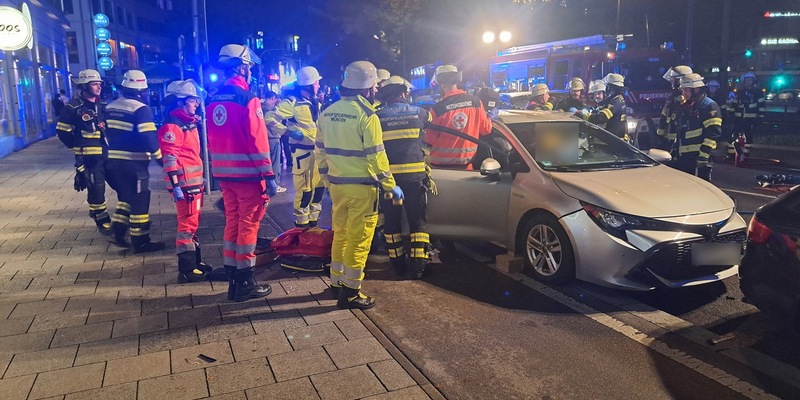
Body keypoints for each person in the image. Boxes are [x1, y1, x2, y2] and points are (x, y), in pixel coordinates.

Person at [316, 60, 402, 310]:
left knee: (340, 235)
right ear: (366, 88)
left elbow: (320, 153)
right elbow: (377, 156)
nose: (375, 91)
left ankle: (337, 283)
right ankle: (351, 293)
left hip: (337, 187)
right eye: (374, 86)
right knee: (359, 239)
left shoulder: (327, 112)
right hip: (363, 188)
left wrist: (327, 182)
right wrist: (390, 186)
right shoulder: (367, 116)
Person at [207, 43, 277, 302]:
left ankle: (234, 280)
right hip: (248, 175)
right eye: (248, 67)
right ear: (241, 68)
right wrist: (268, 175)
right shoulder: (248, 99)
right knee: (249, 225)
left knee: (233, 222)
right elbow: (258, 142)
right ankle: (245, 282)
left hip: (225, 175)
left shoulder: (213, 99)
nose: (250, 72)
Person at [376, 76, 433, 279]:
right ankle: (418, 266)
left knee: (392, 222)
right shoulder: (420, 112)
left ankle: (397, 264)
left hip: (392, 184)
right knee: (417, 221)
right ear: (403, 93)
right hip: (414, 180)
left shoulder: (377, 117)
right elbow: (432, 130)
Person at [105, 70, 165, 253]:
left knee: (126, 196)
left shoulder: (111, 107)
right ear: (142, 91)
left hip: (114, 163)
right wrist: (161, 159)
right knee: (140, 199)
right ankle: (141, 241)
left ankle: (118, 229)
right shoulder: (141, 109)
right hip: (135, 164)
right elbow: (148, 138)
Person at [158, 79, 212, 283]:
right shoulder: (173, 125)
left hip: (193, 183)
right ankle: (187, 270)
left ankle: (195, 263)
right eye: (192, 100)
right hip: (185, 186)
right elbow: (170, 157)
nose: (196, 104)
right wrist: (176, 185)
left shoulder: (187, 123)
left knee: (192, 224)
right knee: (187, 226)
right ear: (179, 102)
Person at [55, 69, 112, 236]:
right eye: (94, 84)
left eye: (99, 84)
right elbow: (62, 132)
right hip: (89, 159)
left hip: (108, 154)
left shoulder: (102, 106)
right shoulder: (73, 108)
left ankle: (125, 219)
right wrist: (77, 147)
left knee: (121, 184)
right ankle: (102, 220)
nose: (98, 87)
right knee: (96, 190)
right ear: (84, 86)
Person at [274, 66, 325, 228]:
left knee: (318, 189)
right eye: (317, 83)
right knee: (304, 191)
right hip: (302, 153)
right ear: (309, 85)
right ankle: (301, 227)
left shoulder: (314, 102)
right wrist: (289, 132)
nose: (318, 86)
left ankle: (313, 225)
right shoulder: (291, 102)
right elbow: (270, 118)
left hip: (317, 153)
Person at [425, 64, 492, 169]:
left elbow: (430, 139)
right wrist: (490, 117)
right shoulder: (476, 102)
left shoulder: (437, 109)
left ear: (441, 83)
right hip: (466, 167)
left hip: (440, 169)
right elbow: (486, 130)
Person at [675, 73, 721, 182]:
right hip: (685, 157)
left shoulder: (709, 106)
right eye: (683, 90)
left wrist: (704, 155)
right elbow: (681, 130)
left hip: (699, 157)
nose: (683, 93)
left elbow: (713, 133)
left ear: (696, 90)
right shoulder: (687, 106)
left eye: (686, 90)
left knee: (701, 189)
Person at [728, 71, 765, 161]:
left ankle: (745, 155)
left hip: (751, 119)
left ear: (754, 81)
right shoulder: (740, 92)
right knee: (732, 136)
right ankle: (731, 155)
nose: (749, 82)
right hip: (738, 118)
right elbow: (734, 104)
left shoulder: (758, 93)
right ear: (744, 82)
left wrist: (760, 117)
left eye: (750, 80)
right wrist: (731, 114)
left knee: (748, 137)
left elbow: (761, 106)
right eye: (747, 80)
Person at [656, 65, 693, 150]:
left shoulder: (687, 97)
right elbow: (664, 116)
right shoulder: (672, 97)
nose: (672, 83)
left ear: (680, 81)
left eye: (673, 81)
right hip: (669, 138)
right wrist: (660, 135)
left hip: (680, 141)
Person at [585, 73, 628, 141]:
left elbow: (602, 117)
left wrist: (586, 116)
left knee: (587, 131)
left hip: (615, 139)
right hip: (614, 136)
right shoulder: (615, 99)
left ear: (611, 88)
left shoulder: (616, 102)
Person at [261, 90, 286, 193]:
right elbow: (277, 122)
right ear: (271, 98)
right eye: (274, 100)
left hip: (264, 138)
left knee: (267, 163)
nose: (275, 102)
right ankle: (275, 184)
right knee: (275, 163)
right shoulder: (271, 109)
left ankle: (267, 184)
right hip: (273, 137)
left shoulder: (259, 107)